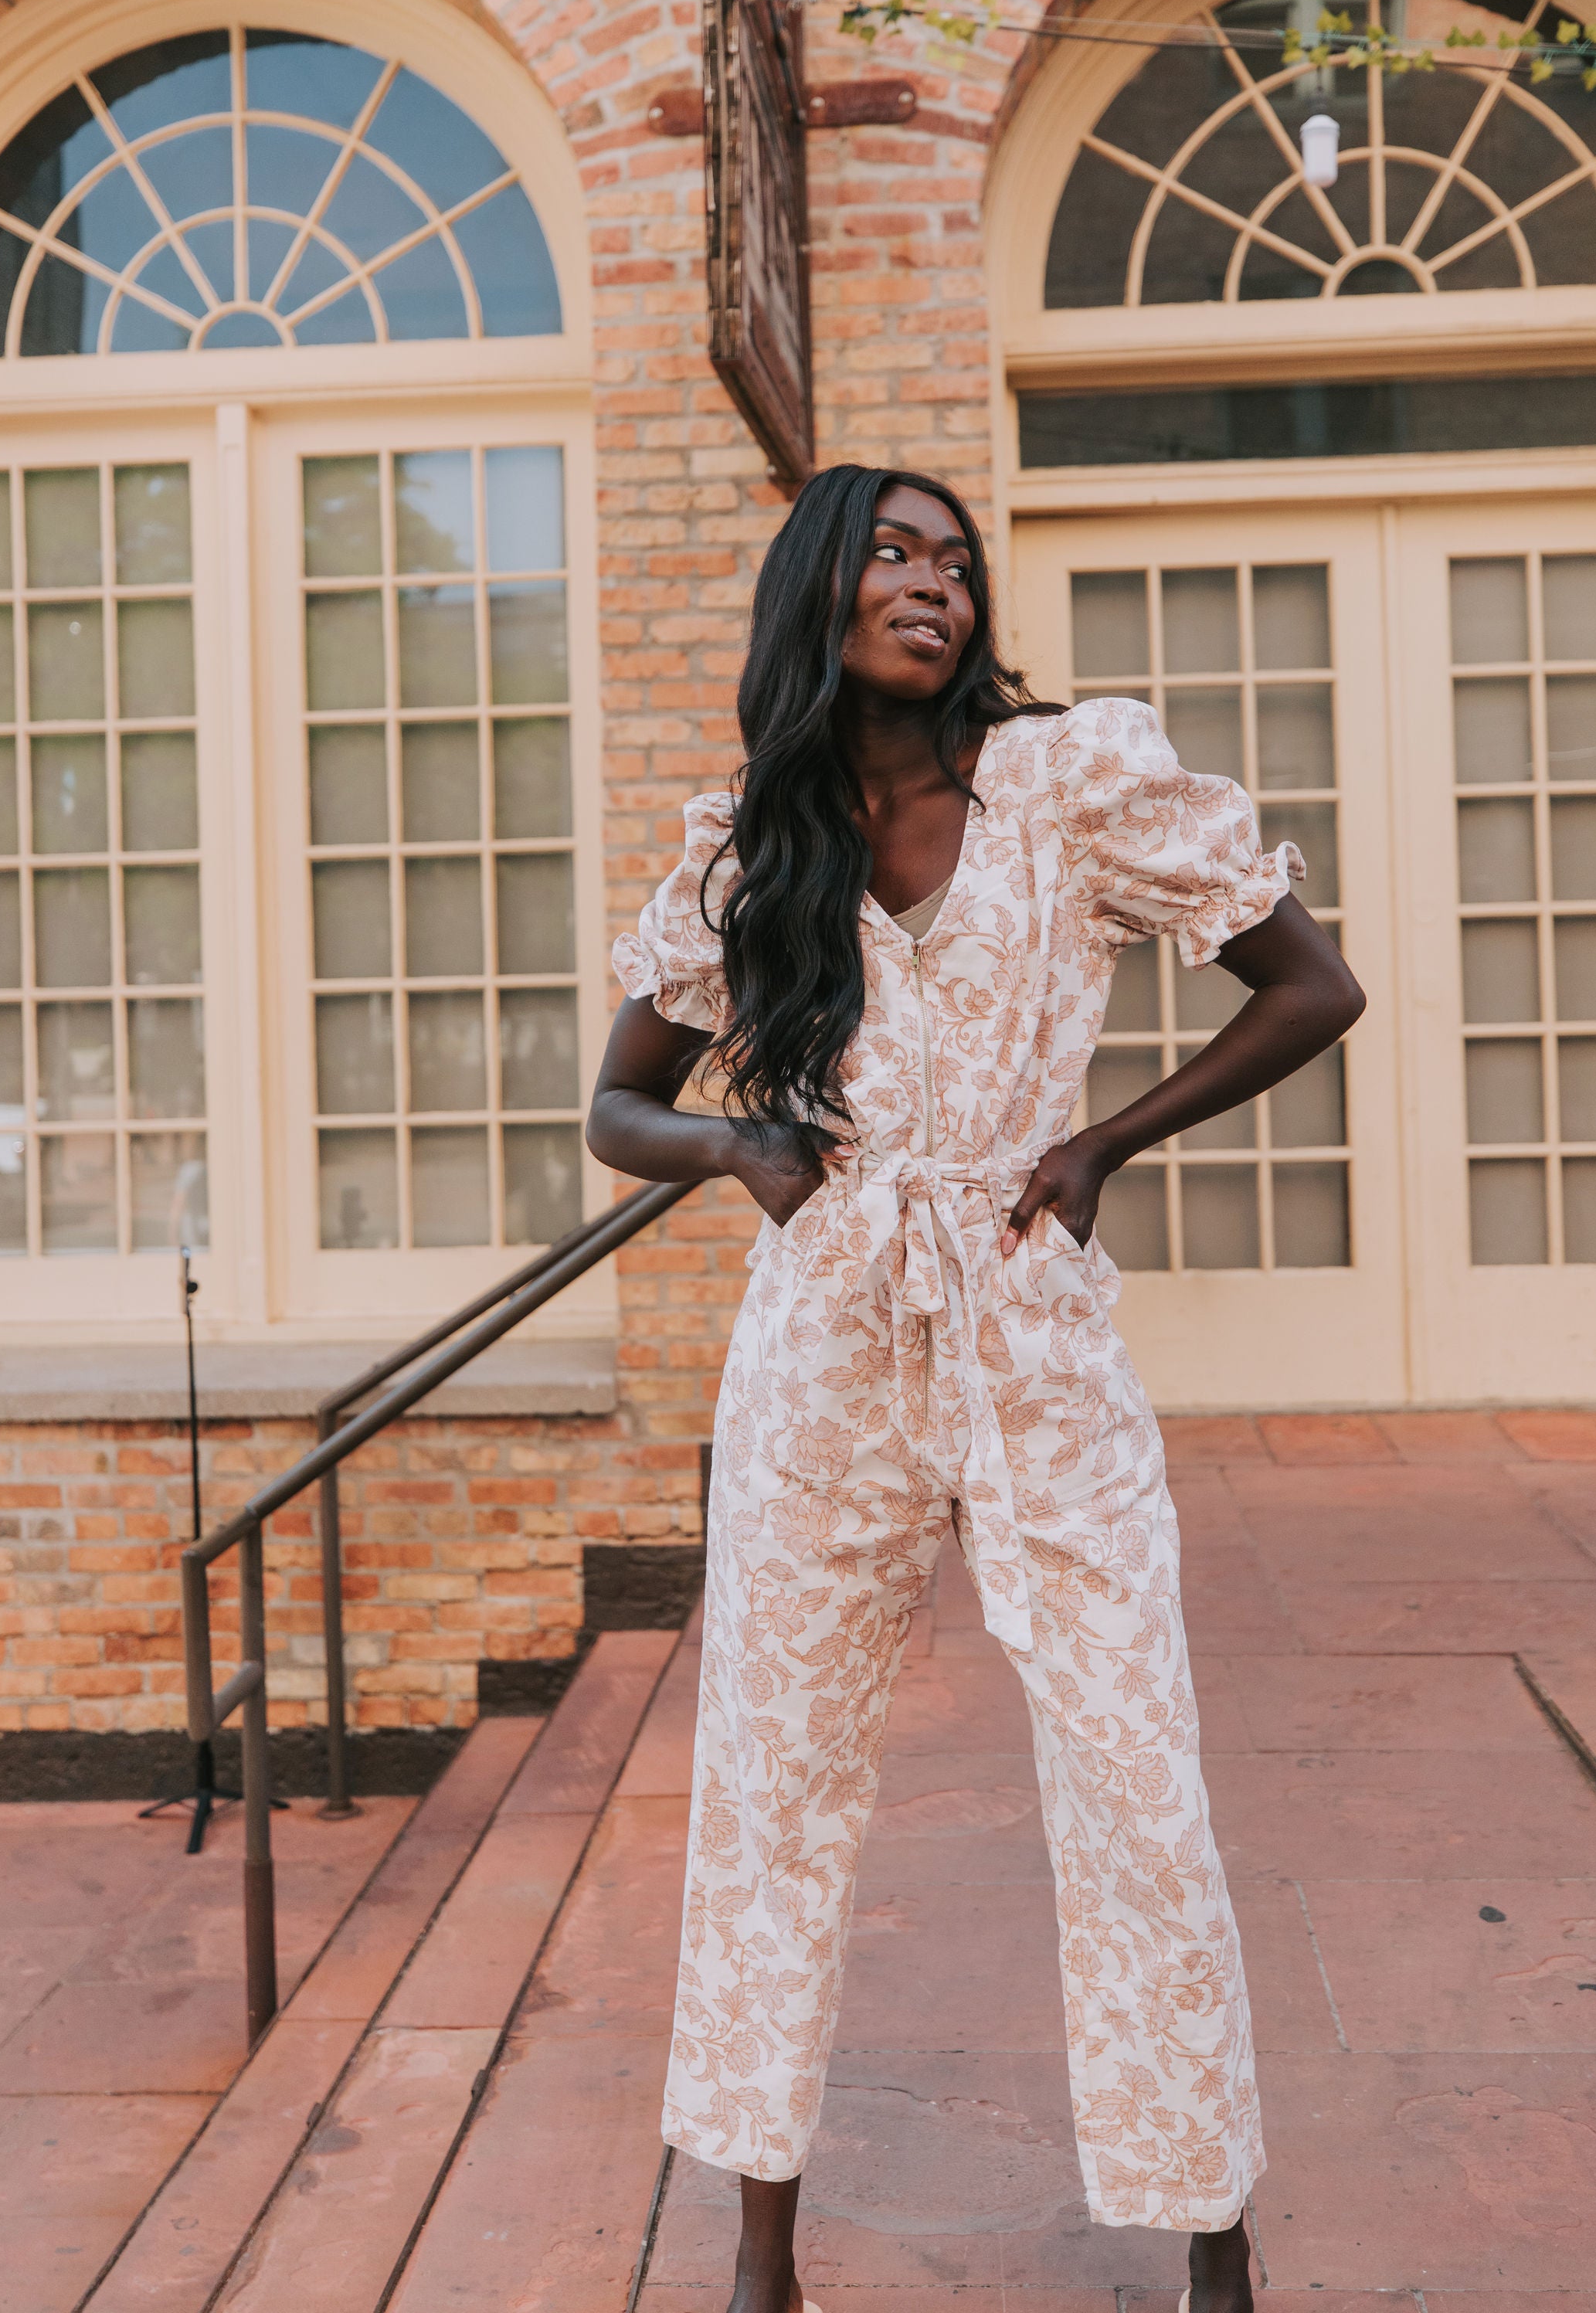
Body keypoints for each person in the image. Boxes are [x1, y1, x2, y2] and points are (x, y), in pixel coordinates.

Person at [588, 465, 1364, 2313]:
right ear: (820, 592)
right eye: (895, 553)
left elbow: (1310, 986)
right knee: (774, 1785)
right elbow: (617, 1107)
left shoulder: (1070, 783)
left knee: (1133, 1770)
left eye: (957, 561)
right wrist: (734, 1153)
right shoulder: (748, 843)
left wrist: (1104, 1144)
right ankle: (759, 2255)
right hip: (823, 1336)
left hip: (1031, 1318)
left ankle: (1217, 2246)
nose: (934, 583)